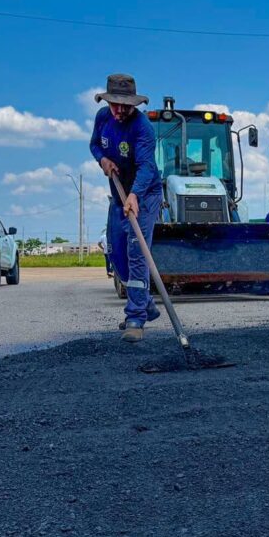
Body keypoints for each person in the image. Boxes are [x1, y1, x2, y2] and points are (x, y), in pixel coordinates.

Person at [88, 73, 163, 342]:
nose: (120, 111)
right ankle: (147, 305)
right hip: (119, 194)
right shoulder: (102, 118)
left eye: (125, 105)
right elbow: (94, 145)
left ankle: (135, 317)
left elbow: (146, 167)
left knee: (136, 250)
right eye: (115, 104)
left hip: (145, 193)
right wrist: (103, 161)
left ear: (134, 104)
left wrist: (134, 195)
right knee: (116, 252)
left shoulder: (142, 128)